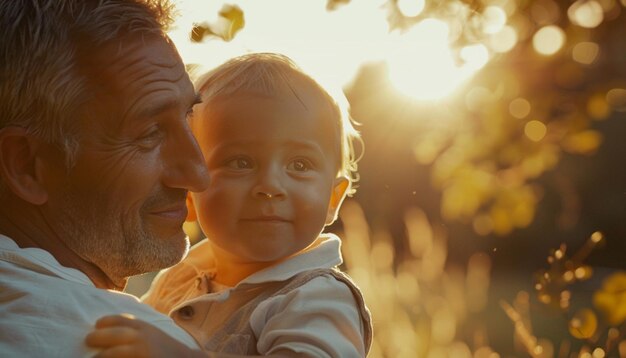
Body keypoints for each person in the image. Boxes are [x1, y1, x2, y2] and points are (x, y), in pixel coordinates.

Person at [86, 53, 373, 357]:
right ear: (189, 195)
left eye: (299, 164)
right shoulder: (178, 278)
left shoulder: (317, 298)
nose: (270, 187)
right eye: (241, 162)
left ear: (332, 199)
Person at [0, 0, 210, 356]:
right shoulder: (134, 341)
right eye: (150, 133)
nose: (198, 173)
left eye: (188, 116)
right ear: (27, 165)